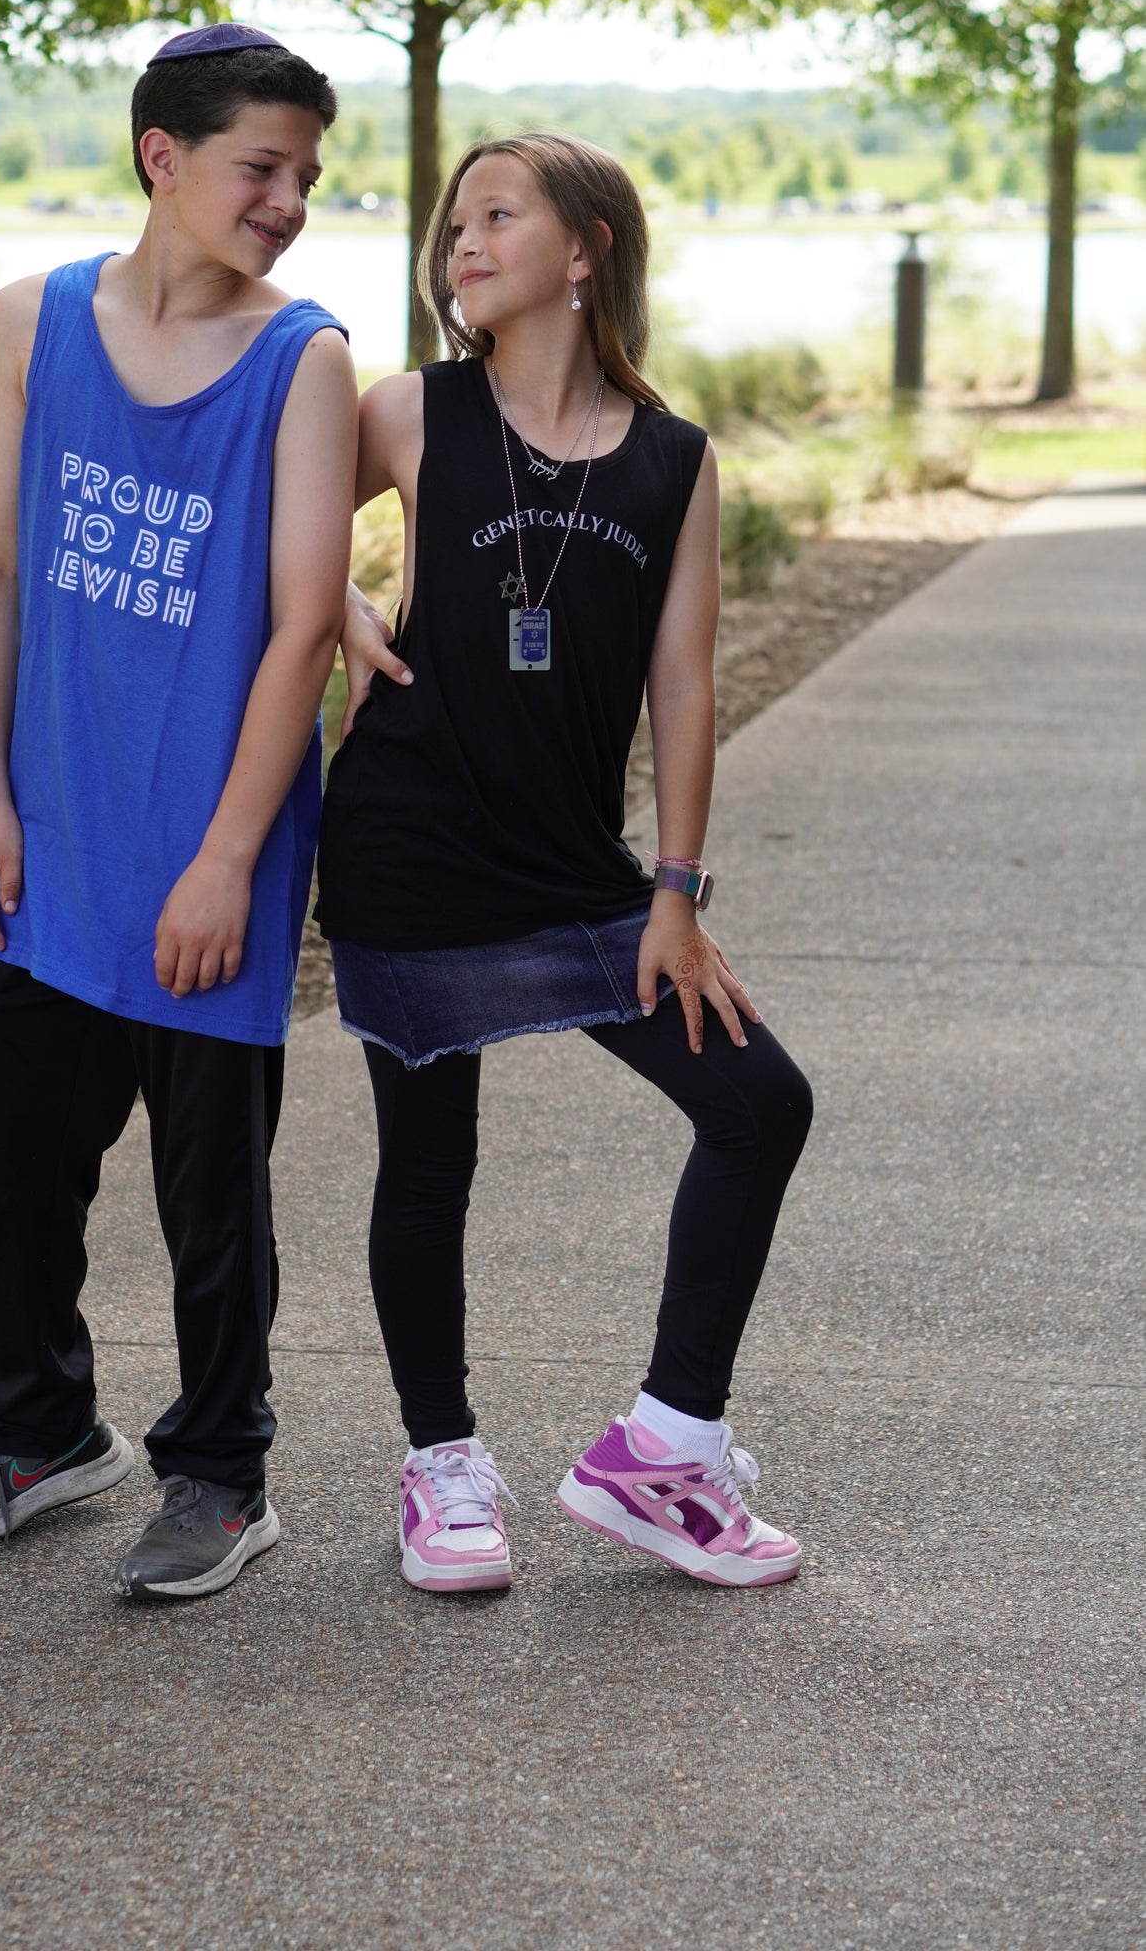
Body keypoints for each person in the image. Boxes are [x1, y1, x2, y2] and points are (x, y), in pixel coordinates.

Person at [0, 24, 356, 1602]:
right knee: (9, 1167)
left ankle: (222, 1474)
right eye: (260, 165)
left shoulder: (303, 361)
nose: (287, 199)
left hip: (206, 845)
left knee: (208, 1192)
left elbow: (302, 625)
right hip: (46, 826)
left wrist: (230, 858)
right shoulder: (33, 319)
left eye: (303, 174)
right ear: (163, 154)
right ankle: (37, 1432)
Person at [315, 131, 813, 1596]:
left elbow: (686, 683)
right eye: (451, 221)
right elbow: (260, 529)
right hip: (407, 838)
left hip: (577, 869)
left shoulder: (674, 461)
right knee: (429, 1162)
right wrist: (343, 604)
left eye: (498, 215)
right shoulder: (407, 411)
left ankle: (663, 1448)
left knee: (757, 1101)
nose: (461, 239)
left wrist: (676, 890)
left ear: (586, 248)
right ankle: (440, 1468)